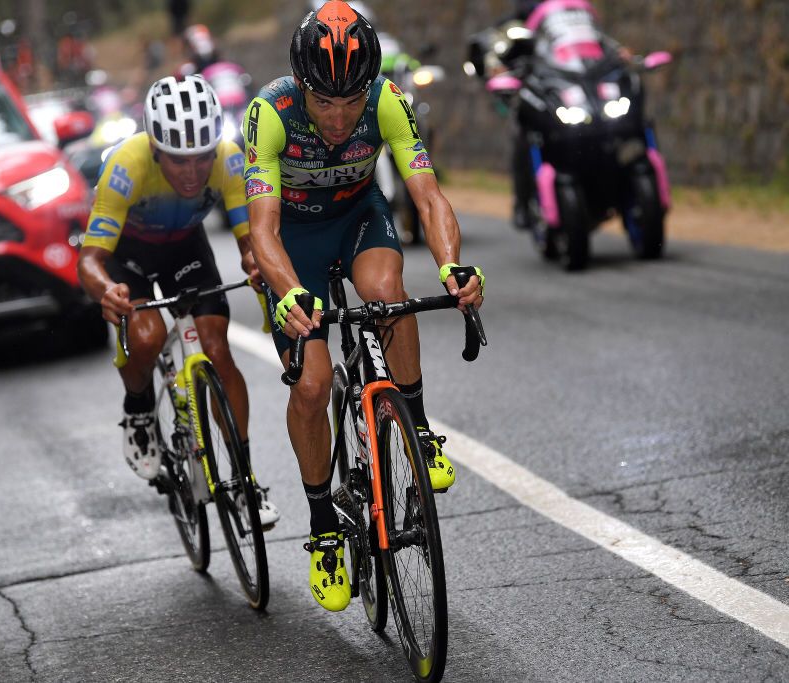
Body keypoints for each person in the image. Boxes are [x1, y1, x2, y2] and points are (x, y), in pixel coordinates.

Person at [242, 1, 484, 611]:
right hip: (292, 240)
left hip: (357, 218)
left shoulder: (388, 101)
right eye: (325, 102)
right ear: (302, 86)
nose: (339, 116)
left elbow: (427, 198)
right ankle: (324, 526)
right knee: (313, 384)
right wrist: (290, 292)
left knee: (387, 297)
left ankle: (419, 431)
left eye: (351, 101)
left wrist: (453, 266)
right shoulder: (267, 114)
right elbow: (263, 232)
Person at [78, 75, 280, 528]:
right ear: (155, 150)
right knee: (146, 336)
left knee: (217, 347)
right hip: (127, 257)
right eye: (178, 161)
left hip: (186, 249)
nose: (192, 172)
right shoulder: (127, 166)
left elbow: (251, 241)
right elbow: (90, 260)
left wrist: (256, 265)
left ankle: (245, 481)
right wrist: (104, 290)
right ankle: (138, 409)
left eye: (201, 158)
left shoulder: (229, 160)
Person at [488, 0, 631, 229]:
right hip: (544, 89)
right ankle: (523, 202)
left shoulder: (576, 11)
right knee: (522, 133)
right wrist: (499, 68)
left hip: (582, 83)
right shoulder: (517, 23)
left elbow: (596, 37)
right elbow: (497, 49)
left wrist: (617, 52)